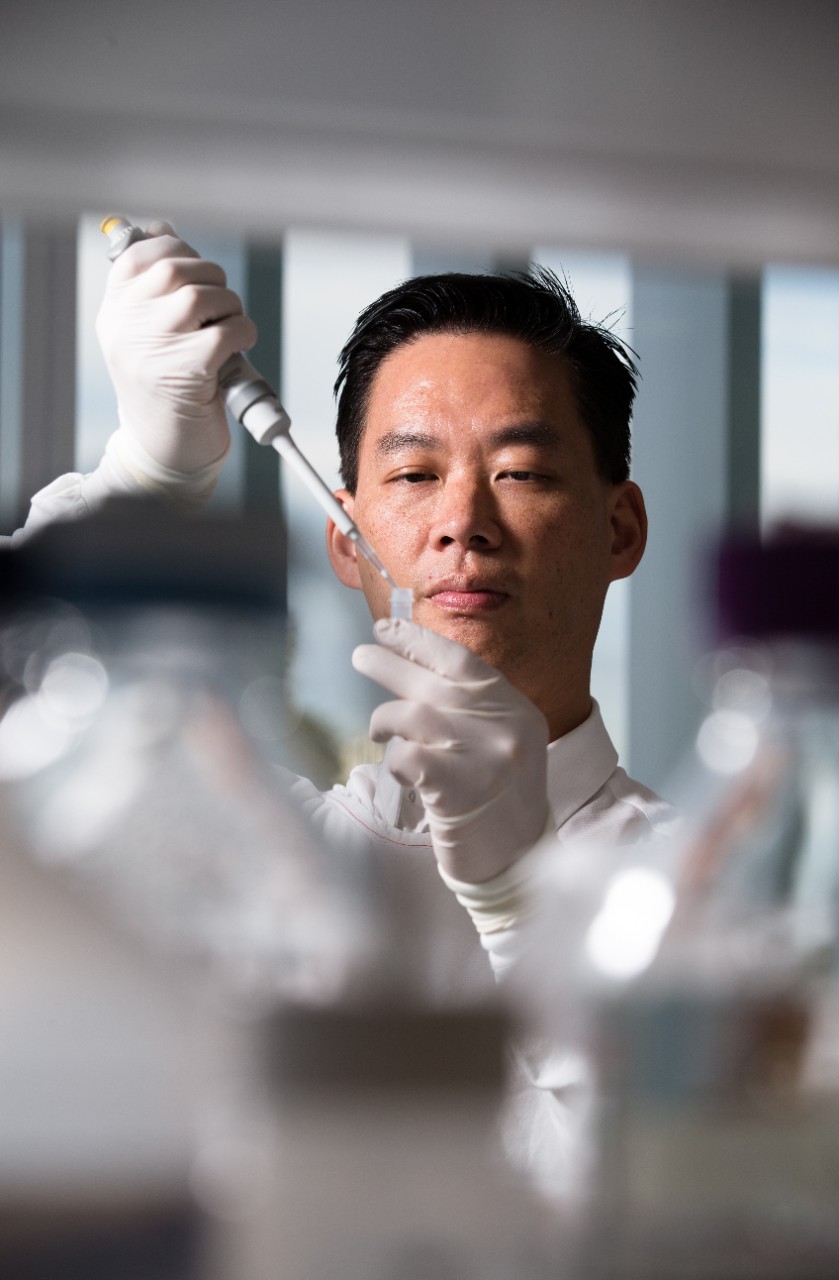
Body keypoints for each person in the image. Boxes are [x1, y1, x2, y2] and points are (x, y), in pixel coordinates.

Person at [4, 222, 676, 1183]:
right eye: (411, 475)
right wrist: (141, 478)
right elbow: (30, 755)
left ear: (619, 528)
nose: (461, 525)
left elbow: (672, 1206)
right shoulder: (257, 851)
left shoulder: (687, 891)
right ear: (343, 541)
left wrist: (523, 903)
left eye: (519, 473)